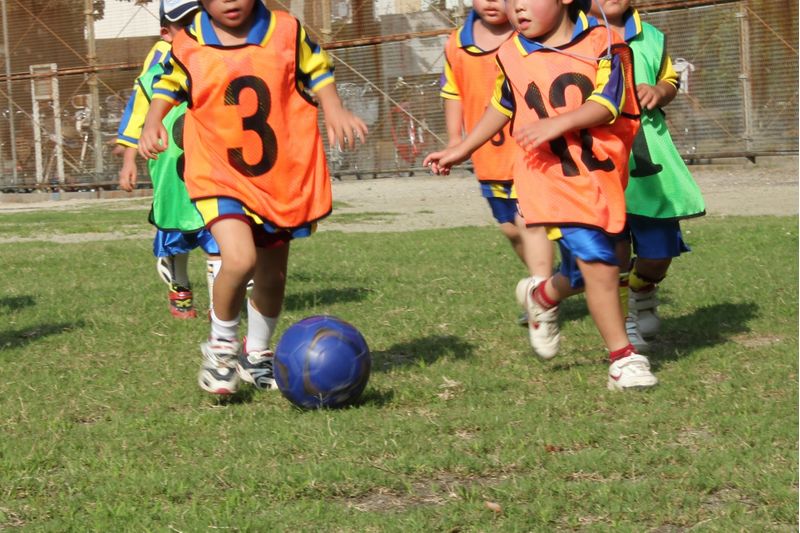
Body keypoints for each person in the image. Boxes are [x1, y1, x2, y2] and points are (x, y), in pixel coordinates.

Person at [424, 0, 658, 390]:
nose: (517, 8)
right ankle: (623, 358)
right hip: (547, 177)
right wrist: (462, 148)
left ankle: (545, 297)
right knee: (598, 261)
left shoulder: (606, 42)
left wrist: (559, 123)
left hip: (600, 176)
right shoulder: (510, 52)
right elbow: (503, 103)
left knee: (607, 262)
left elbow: (611, 99)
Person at [138, 0, 368, 395]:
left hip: (278, 177)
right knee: (239, 258)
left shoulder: (286, 31)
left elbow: (317, 70)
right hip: (217, 172)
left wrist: (333, 107)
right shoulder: (190, 40)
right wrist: (154, 119)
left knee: (272, 274)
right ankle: (221, 347)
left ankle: (257, 354)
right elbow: (168, 82)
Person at [588, 0, 705, 351]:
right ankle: (624, 326)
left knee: (659, 253)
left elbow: (669, 78)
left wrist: (659, 91)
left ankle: (643, 288)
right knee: (615, 249)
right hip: (602, 162)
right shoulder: (571, 37)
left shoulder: (652, 36)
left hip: (649, 164)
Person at [439, 0, 553, 326]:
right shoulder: (456, 43)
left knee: (530, 224)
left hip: (531, 153)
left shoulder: (530, 34)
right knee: (510, 229)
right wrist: (454, 139)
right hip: (488, 158)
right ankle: (545, 281)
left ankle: (542, 297)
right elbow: (453, 92)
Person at [116, 0, 221, 320]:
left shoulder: (215, 58)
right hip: (170, 171)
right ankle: (181, 291)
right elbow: (138, 114)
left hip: (210, 166)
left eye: (197, 19)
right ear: (166, 32)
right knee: (176, 235)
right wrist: (129, 160)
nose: (192, 28)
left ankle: (220, 308)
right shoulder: (155, 70)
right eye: (183, 23)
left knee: (217, 234)